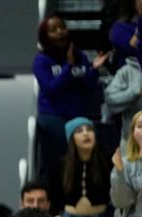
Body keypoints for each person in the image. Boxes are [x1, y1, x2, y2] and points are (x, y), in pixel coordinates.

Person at [33, 16, 106, 188]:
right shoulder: (41, 61)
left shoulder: (79, 56)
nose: (60, 32)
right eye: (53, 30)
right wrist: (68, 67)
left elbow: (88, 87)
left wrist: (94, 70)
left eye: (62, 27)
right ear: (45, 37)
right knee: (57, 163)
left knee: (82, 161)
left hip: (77, 116)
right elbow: (51, 89)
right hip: (53, 116)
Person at [52, 117, 111, 217]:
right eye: (79, 131)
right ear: (72, 138)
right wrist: (56, 215)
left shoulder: (106, 161)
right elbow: (55, 193)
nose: (86, 134)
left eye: (89, 130)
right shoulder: (63, 164)